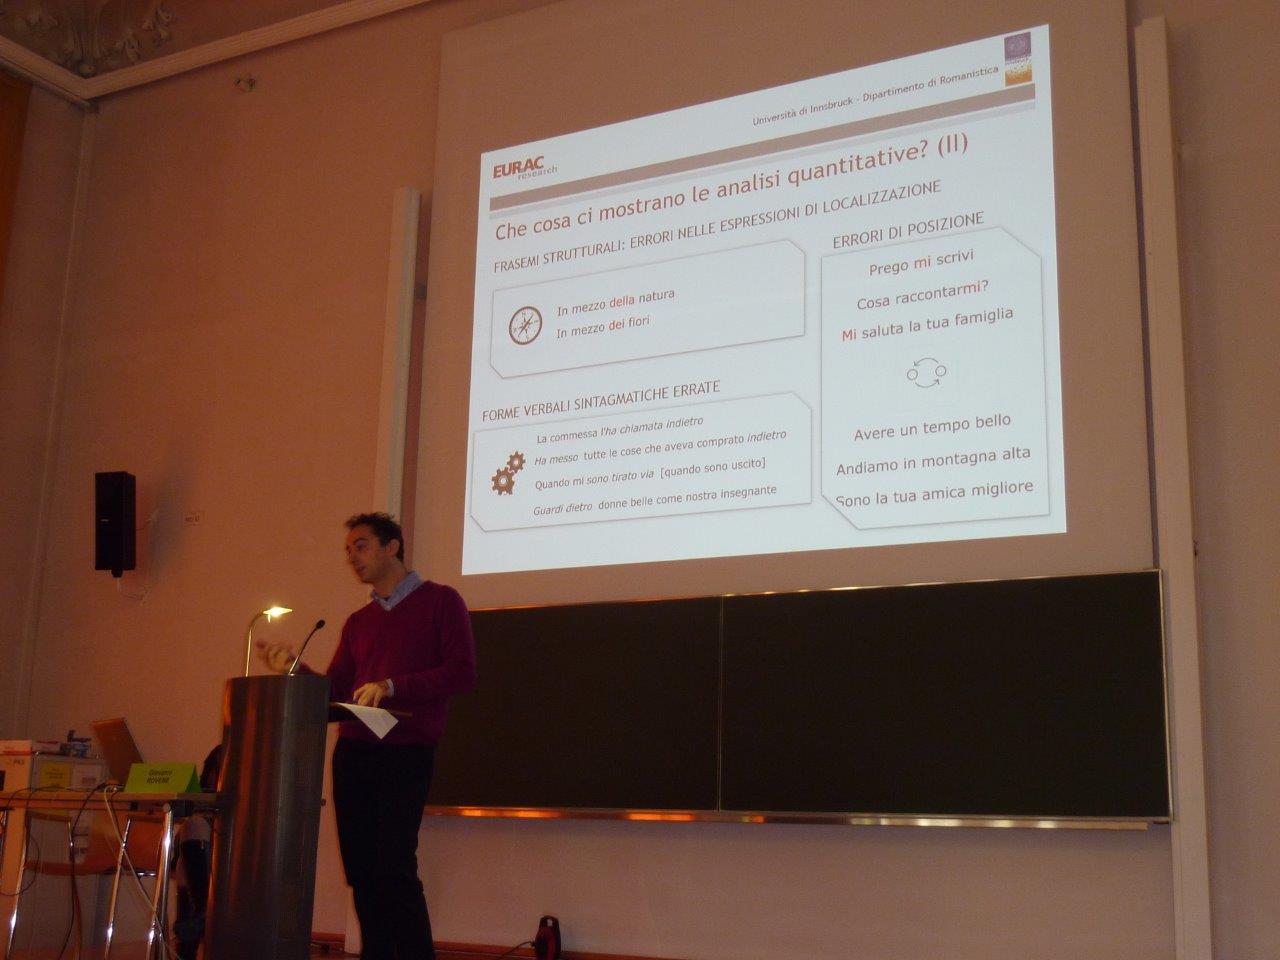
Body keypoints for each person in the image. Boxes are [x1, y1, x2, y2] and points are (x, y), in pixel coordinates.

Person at [256, 512, 476, 960]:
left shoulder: (440, 601)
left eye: (361, 546)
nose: (352, 557)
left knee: (394, 868)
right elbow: (336, 692)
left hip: (406, 752)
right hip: (355, 752)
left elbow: (462, 671)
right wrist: (294, 669)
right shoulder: (358, 622)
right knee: (361, 872)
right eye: (348, 550)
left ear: (392, 546)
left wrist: (393, 686)